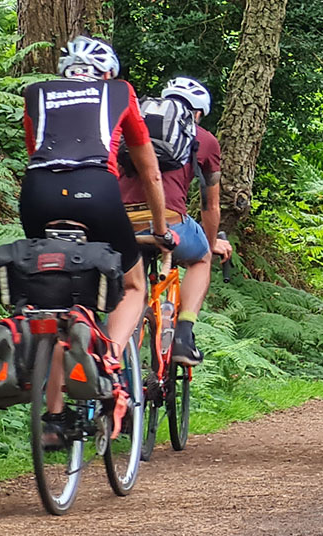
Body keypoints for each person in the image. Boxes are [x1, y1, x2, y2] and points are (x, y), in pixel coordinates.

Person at [20, 36, 174, 442]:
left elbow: (35, 152)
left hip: (37, 196)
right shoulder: (119, 92)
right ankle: (108, 362)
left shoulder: (36, 93)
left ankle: (54, 420)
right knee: (134, 285)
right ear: (106, 74)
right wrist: (161, 230)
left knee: (55, 302)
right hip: (97, 193)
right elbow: (150, 172)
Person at [119, 76, 232, 366]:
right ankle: (183, 335)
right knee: (201, 258)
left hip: (121, 223)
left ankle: (117, 361)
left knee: (130, 288)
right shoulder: (205, 140)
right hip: (169, 222)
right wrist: (209, 244)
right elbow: (210, 206)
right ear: (198, 112)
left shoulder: (131, 127)